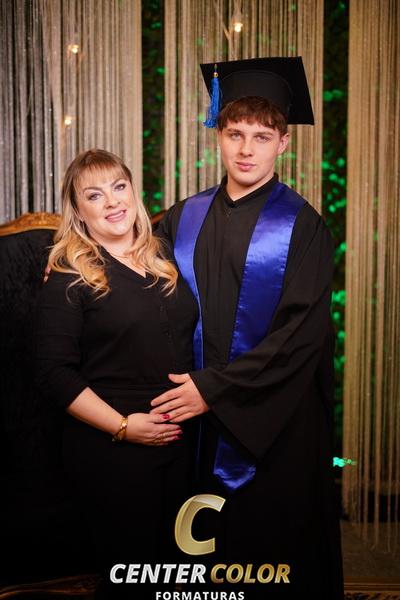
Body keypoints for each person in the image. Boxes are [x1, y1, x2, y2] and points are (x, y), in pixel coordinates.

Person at [153, 57, 344, 599]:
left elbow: (300, 337)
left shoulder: (303, 226)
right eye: (234, 133)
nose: (246, 149)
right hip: (194, 420)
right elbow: (136, 281)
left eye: (261, 137)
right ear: (218, 135)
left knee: (270, 558)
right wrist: (76, 261)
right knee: (201, 561)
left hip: (275, 425)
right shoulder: (182, 217)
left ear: (283, 142)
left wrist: (213, 390)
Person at [34, 149, 198, 599]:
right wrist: (125, 427)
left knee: (178, 578)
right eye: (94, 195)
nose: (112, 202)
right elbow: (53, 373)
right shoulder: (69, 274)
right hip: (112, 451)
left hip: (181, 444)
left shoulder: (164, 255)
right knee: (132, 580)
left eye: (119, 187)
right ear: (78, 211)